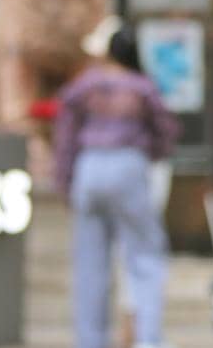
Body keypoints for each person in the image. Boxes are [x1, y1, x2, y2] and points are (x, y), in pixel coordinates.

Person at [54, 24, 181, 348]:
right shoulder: (141, 87)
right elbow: (166, 130)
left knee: (90, 266)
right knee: (146, 260)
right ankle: (149, 341)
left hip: (89, 168)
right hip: (129, 166)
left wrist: (65, 180)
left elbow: (65, 135)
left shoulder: (86, 86)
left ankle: (89, 341)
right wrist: (150, 153)